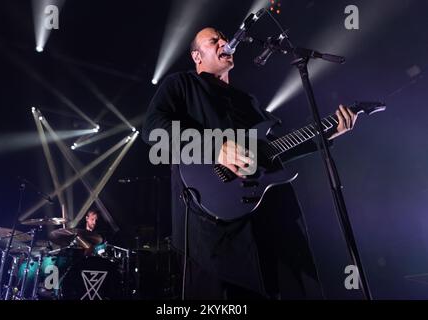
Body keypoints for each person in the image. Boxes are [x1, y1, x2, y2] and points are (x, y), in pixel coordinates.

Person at [142, 27, 358, 299]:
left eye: (223, 38)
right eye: (215, 40)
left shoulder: (248, 101)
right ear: (197, 56)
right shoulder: (181, 85)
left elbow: (276, 151)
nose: (224, 42)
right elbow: (154, 131)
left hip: (269, 221)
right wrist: (215, 148)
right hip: (212, 229)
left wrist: (327, 135)